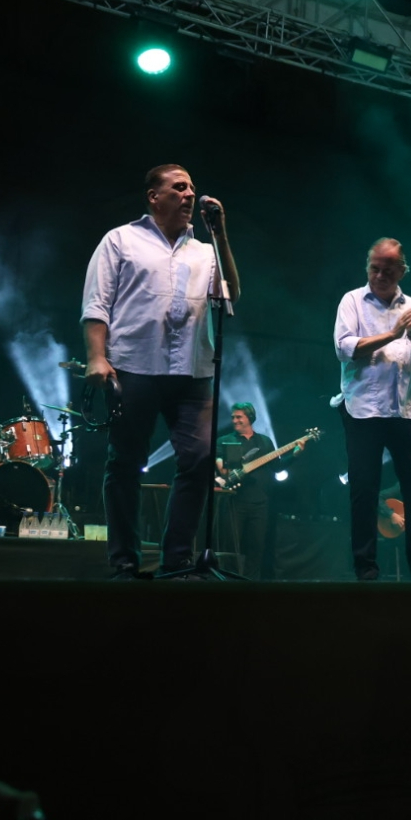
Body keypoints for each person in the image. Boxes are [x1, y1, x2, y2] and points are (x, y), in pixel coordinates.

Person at [82, 164, 240, 579]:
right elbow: (97, 304)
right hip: (134, 366)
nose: (190, 194)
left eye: (192, 188)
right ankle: (123, 560)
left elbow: (230, 296)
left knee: (200, 460)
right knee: (125, 464)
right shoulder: (121, 240)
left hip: (192, 370)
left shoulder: (205, 251)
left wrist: (220, 234)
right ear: (154, 195)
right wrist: (97, 357)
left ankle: (177, 559)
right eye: (179, 187)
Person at [335, 237, 411, 582]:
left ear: (402, 270)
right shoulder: (352, 300)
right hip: (363, 410)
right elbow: (346, 348)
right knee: (364, 489)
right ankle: (366, 568)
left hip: (405, 411)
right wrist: (394, 333)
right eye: (374, 268)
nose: (380, 274)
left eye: (388, 269)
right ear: (368, 267)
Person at [215, 402, 296, 581]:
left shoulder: (265, 442)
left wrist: (295, 454)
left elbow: (277, 467)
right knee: (231, 547)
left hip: (260, 503)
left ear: (249, 418)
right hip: (234, 502)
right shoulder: (224, 441)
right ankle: (229, 582)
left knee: (256, 547)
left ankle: (251, 584)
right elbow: (220, 468)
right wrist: (225, 470)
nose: (234, 420)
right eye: (233, 417)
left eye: (239, 417)